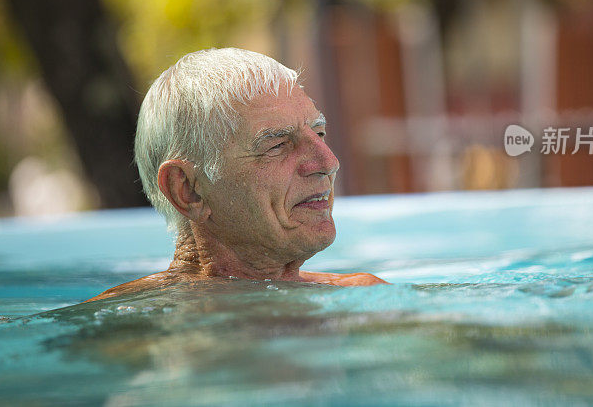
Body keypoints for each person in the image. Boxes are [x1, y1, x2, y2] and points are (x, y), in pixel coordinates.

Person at [87, 48, 386, 302]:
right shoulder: (126, 328)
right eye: (278, 145)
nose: (328, 162)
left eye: (319, 133)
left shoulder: (368, 300)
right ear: (188, 190)